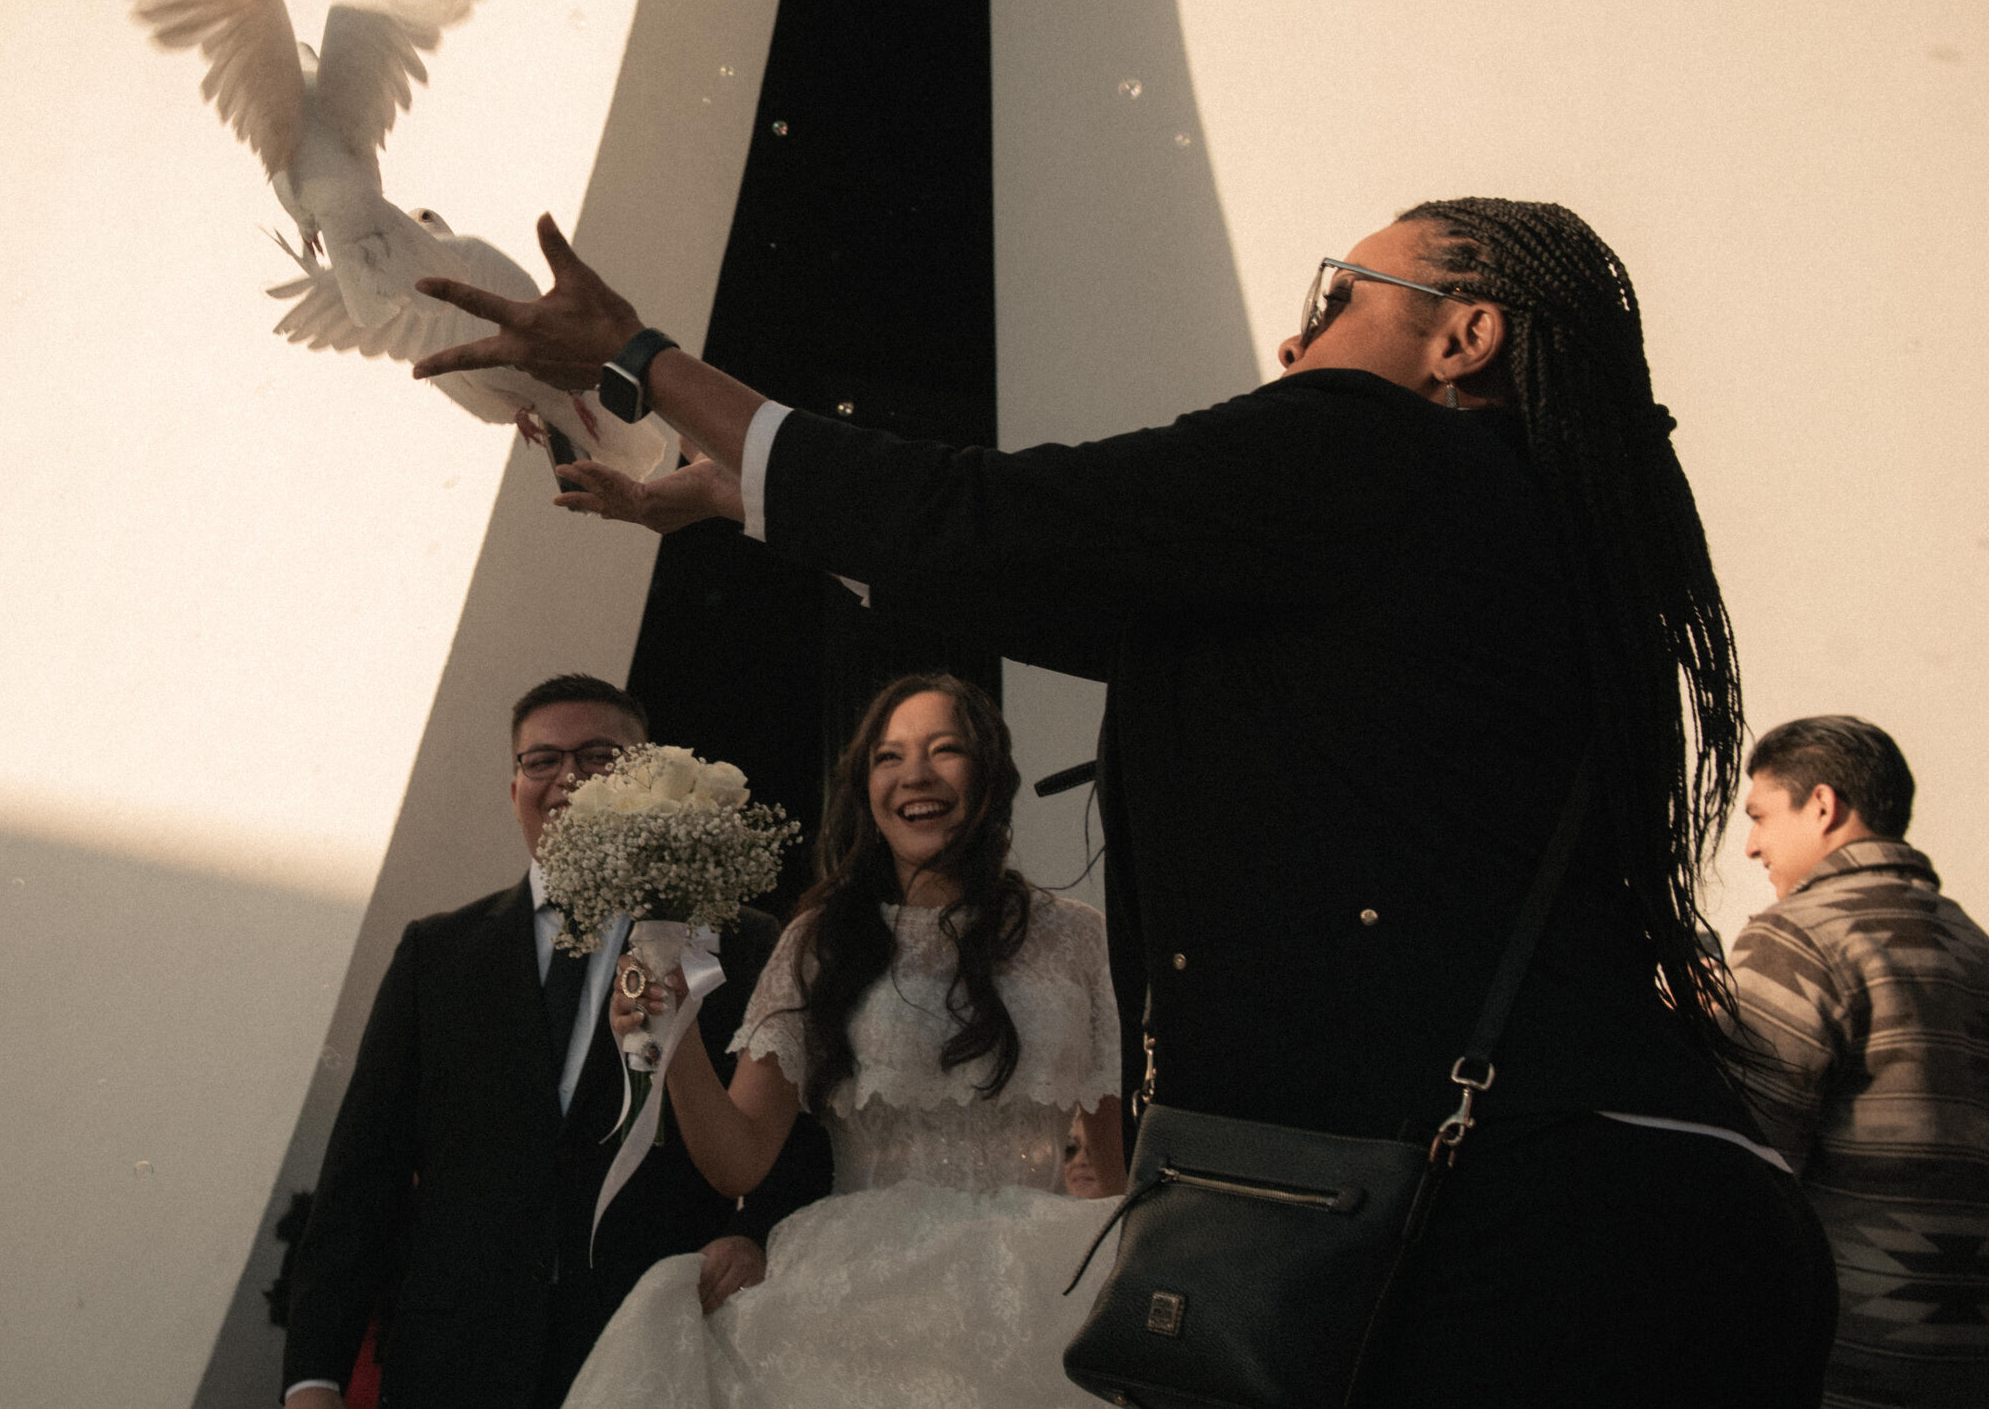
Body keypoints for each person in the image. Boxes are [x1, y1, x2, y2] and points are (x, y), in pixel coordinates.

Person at [412, 201, 1838, 1404]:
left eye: (1341, 297)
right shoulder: (1531, 551)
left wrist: (641, 358)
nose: (1297, 341)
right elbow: (1070, 588)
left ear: (1464, 338)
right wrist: (757, 499)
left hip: (1491, 1244)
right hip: (1664, 1210)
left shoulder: (1373, 445)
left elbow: (1008, 519)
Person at [562, 673, 1123, 1408]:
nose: (914, 774)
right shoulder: (818, 941)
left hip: (1045, 1289)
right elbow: (738, 1159)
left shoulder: (1077, 936)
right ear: (865, 787)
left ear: (990, 774)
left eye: (944, 749)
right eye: (889, 757)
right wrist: (676, 1039)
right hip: (864, 1292)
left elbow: (1111, 1165)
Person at [280, 674, 830, 1409]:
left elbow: (800, 1146)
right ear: (515, 787)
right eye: (542, 759)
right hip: (452, 1365)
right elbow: (362, 1174)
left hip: (648, 1356)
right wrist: (313, 1376)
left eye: (600, 755)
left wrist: (755, 1234)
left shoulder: (741, 945)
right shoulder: (437, 954)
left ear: (654, 781)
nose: (568, 775)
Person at [1728, 716, 1989, 1408]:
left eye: (1759, 816)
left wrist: (1695, 1033)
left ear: (1822, 804)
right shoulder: (1975, 947)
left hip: (1845, 1365)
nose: (1751, 845)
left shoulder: (1796, 941)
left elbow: (1744, 1178)